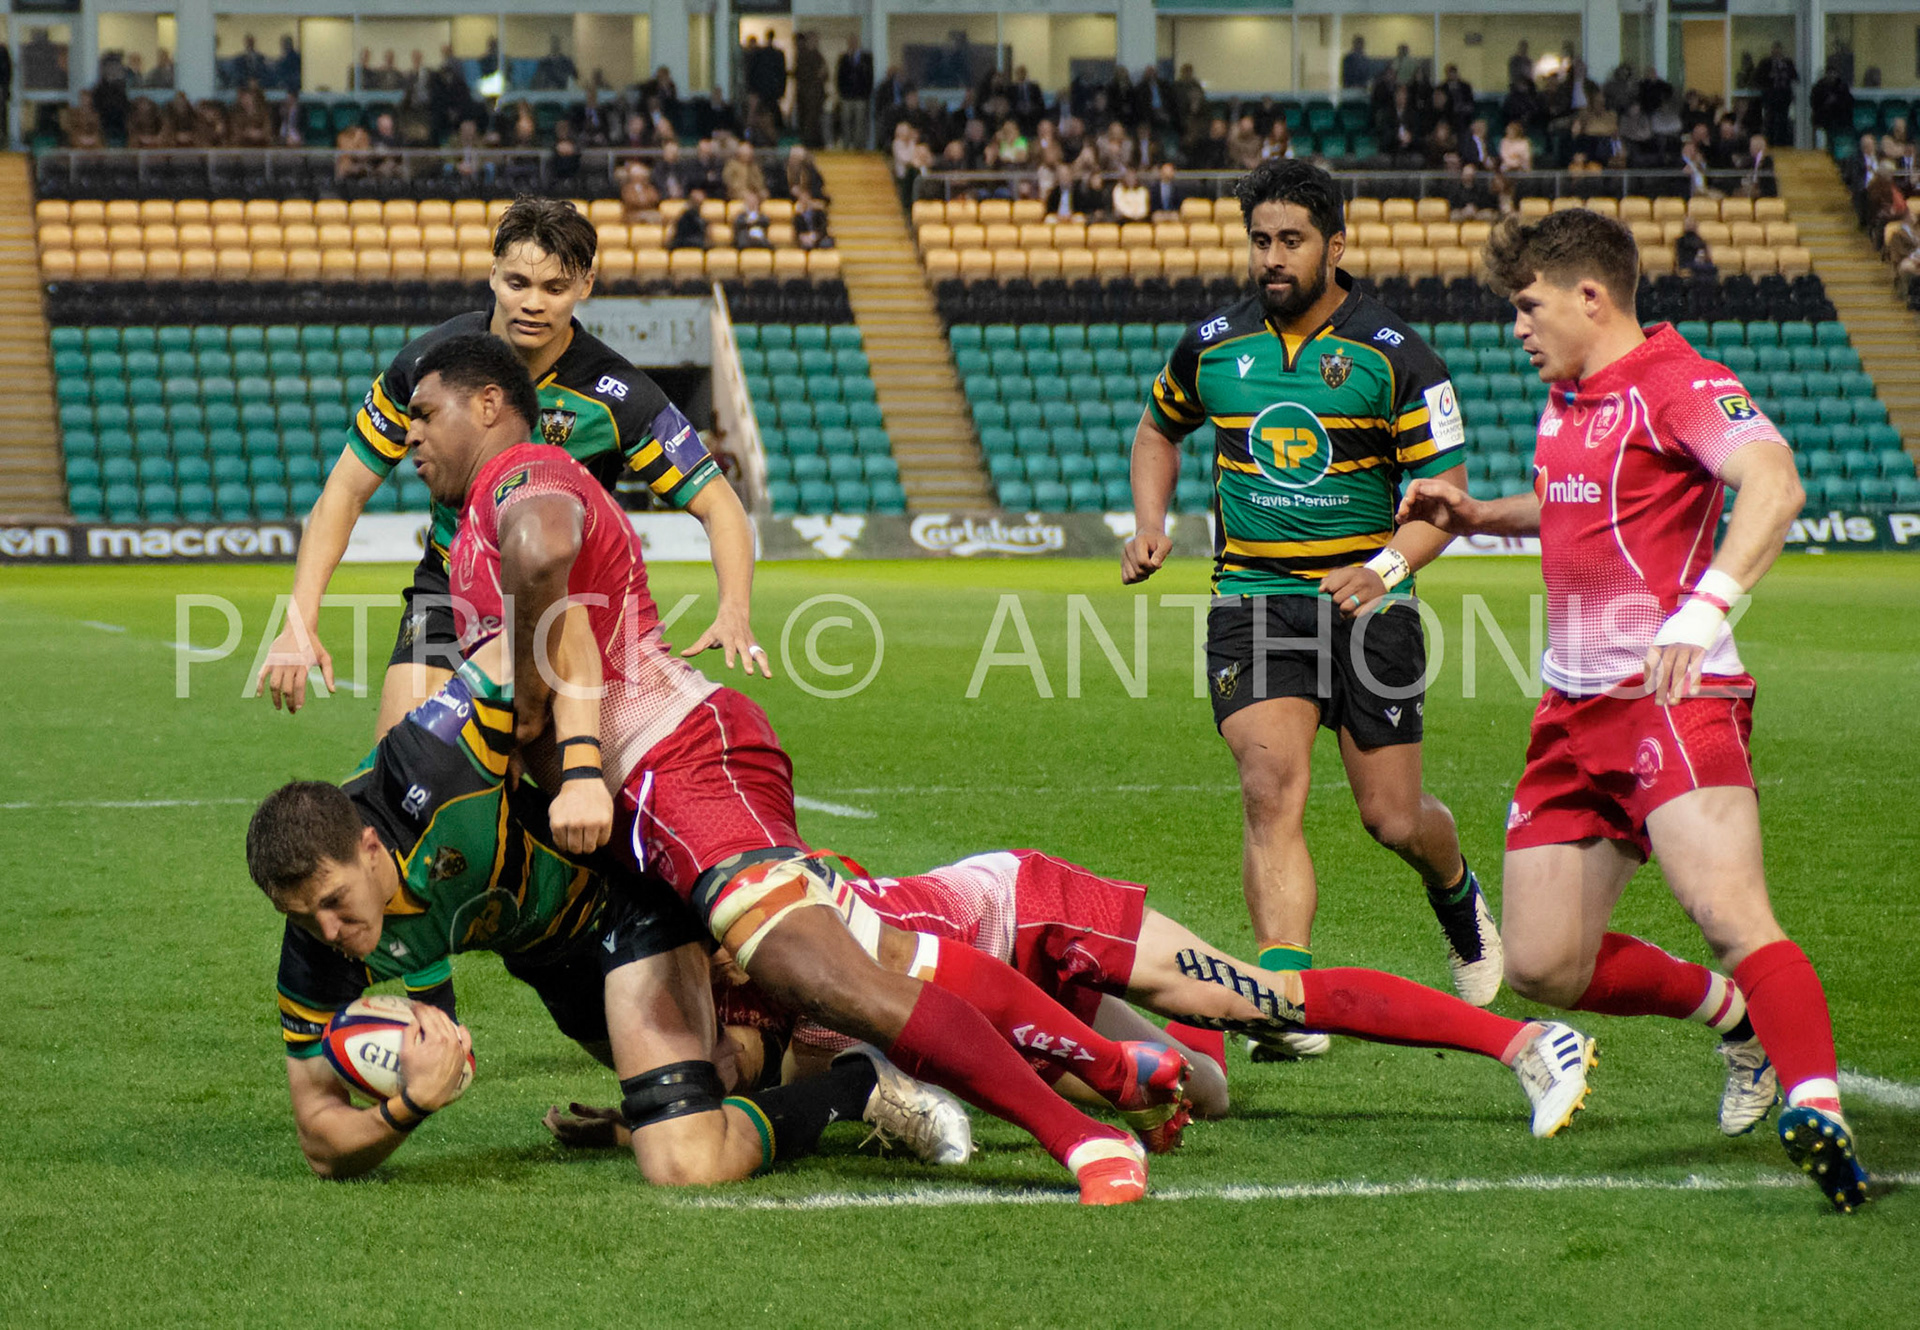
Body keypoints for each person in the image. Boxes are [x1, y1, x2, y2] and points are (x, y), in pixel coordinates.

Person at [407, 335, 1188, 1204]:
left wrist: (551, 725)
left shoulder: (521, 471)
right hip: (646, 807)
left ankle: (1085, 1140)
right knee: (858, 960)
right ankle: (1120, 1072)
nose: (411, 437)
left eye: (423, 415)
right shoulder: (470, 524)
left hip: (679, 764)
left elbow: (547, 546)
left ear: (487, 404)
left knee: (821, 976)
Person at [1398, 210, 1875, 1214]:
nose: (1515, 330)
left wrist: (1704, 613)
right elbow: (1578, 504)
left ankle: (1818, 1106)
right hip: (1570, 713)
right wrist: (1486, 517)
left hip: (1672, 692)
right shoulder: (1567, 399)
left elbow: (1775, 486)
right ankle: (1735, 1024)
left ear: (1590, 296)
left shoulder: (1677, 381)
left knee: (1730, 912)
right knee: (1540, 964)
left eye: (1526, 308)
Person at [248, 644, 970, 1185]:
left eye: (337, 904)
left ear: (369, 847)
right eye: (306, 917)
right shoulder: (317, 942)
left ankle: (862, 1075)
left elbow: (552, 632)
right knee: (726, 1081)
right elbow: (319, 1137)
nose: (332, 934)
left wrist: (585, 771)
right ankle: (844, 1064)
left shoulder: (429, 760)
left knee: (683, 1154)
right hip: (549, 963)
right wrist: (406, 1108)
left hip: (622, 905)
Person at [1120, 159, 1502, 1059]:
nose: (1272, 258)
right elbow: (1156, 430)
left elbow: (1445, 491)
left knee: (1392, 820)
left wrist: (1385, 569)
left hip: (1372, 610)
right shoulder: (1213, 344)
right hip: (1253, 602)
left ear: (1336, 245)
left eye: (1291, 241)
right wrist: (1149, 525)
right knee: (1270, 787)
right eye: (1260, 240)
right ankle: (1281, 997)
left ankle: (1455, 891)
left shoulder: (1397, 356)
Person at [255, 200, 762, 739]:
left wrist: (734, 607)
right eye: (518, 282)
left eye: (555, 288)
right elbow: (344, 494)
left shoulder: (620, 395)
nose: (533, 304)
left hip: (564, 610)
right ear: (492, 271)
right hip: (449, 591)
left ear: (586, 285)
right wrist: (300, 619)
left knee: (557, 791)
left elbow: (720, 505)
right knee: (402, 769)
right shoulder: (429, 364)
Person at [835, 38, 873, 149]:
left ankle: (858, 145)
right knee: (846, 121)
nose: (853, 45)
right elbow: (839, 77)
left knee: (859, 122)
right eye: (850, 43)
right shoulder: (844, 58)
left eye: (854, 43)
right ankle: (846, 144)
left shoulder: (866, 58)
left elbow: (869, 76)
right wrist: (841, 93)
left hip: (860, 96)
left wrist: (866, 94)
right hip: (847, 96)